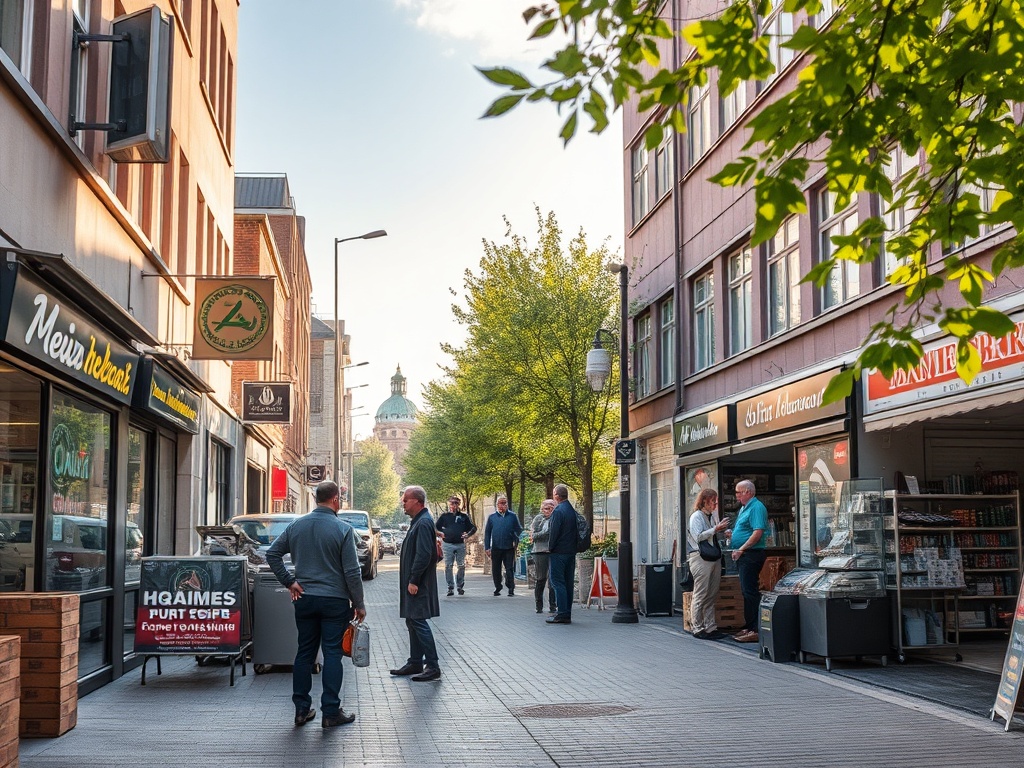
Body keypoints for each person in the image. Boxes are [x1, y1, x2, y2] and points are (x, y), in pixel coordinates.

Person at [265, 480, 366, 728]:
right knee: (332, 654)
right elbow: (352, 572)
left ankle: (301, 710)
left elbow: (272, 554)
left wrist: (290, 582)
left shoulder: (296, 526)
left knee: (305, 653)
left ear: (315, 499)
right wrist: (359, 603)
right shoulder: (343, 529)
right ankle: (330, 712)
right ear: (335, 500)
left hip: (305, 599)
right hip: (334, 601)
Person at [390, 485, 442, 682]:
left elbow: (423, 554)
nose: (403, 503)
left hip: (418, 584)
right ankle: (415, 662)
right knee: (412, 620)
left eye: (406, 500)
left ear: (417, 501)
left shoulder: (423, 522)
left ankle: (433, 665)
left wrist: (414, 580)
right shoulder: (419, 521)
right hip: (415, 582)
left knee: (418, 620)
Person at [686, 489, 729, 640]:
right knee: (701, 593)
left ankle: (710, 627)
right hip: (700, 558)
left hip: (713, 557)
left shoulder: (712, 516)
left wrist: (722, 532)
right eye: (713, 502)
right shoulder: (696, 516)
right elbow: (698, 536)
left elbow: (712, 536)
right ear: (704, 501)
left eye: (716, 502)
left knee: (712, 593)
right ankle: (697, 628)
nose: (715, 505)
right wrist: (715, 529)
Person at [729, 479, 768, 643]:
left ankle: (756, 629)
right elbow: (745, 530)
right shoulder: (744, 508)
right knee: (746, 591)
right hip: (743, 554)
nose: (736, 495)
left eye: (739, 492)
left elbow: (757, 532)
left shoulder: (756, 507)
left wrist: (742, 548)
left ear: (748, 492)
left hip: (751, 554)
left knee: (750, 591)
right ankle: (749, 626)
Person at [545, 484, 578, 624]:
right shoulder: (571, 510)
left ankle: (562, 613)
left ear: (557, 496)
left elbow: (554, 532)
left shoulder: (558, 511)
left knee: (557, 581)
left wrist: (550, 547)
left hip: (559, 552)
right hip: (571, 551)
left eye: (554, 494)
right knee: (568, 582)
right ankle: (567, 612)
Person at [435, 494, 477, 596]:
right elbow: (435, 527)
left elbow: (473, 528)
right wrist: (440, 533)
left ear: (459, 504)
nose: (454, 505)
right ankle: (450, 587)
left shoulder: (464, 517)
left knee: (461, 565)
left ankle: (460, 585)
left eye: (456, 503)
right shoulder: (444, 516)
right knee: (448, 566)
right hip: (447, 543)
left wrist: (468, 534)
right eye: (452, 503)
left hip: (460, 544)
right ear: (449, 504)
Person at [484, 496, 523, 596]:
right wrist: (487, 547)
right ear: (497, 504)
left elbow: (519, 529)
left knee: (509, 568)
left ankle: (511, 588)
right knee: (496, 569)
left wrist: (514, 536)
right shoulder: (492, 517)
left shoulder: (512, 516)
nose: (503, 505)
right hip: (496, 547)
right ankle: (498, 586)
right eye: (501, 503)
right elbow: (487, 533)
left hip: (509, 547)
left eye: (505, 503)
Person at [530, 499, 557, 614]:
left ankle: (553, 606)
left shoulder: (556, 519)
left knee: (552, 580)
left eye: (551, 508)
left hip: (553, 551)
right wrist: (545, 533)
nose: (549, 510)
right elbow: (533, 536)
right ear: (542, 509)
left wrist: (542, 534)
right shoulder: (538, 519)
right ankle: (538, 605)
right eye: (546, 508)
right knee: (541, 579)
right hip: (540, 552)